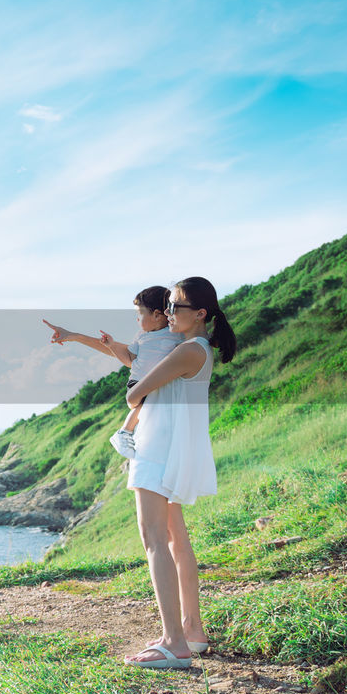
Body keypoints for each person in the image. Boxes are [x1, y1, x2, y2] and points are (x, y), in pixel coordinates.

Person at [120, 276, 237, 669]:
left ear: (200, 314)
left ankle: (174, 643)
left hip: (157, 449)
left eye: (175, 307)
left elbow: (134, 394)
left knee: (154, 538)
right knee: (174, 539)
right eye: (167, 306)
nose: (168, 313)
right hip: (171, 448)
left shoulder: (189, 351)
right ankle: (192, 631)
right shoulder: (196, 349)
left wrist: (137, 379)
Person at [42, 286, 179, 458]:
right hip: (138, 382)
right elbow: (129, 359)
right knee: (146, 403)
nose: (137, 319)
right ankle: (124, 432)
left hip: (155, 386)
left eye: (140, 314)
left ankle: (125, 432)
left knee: (150, 403)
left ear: (158, 315)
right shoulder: (142, 336)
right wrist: (112, 346)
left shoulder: (176, 334)